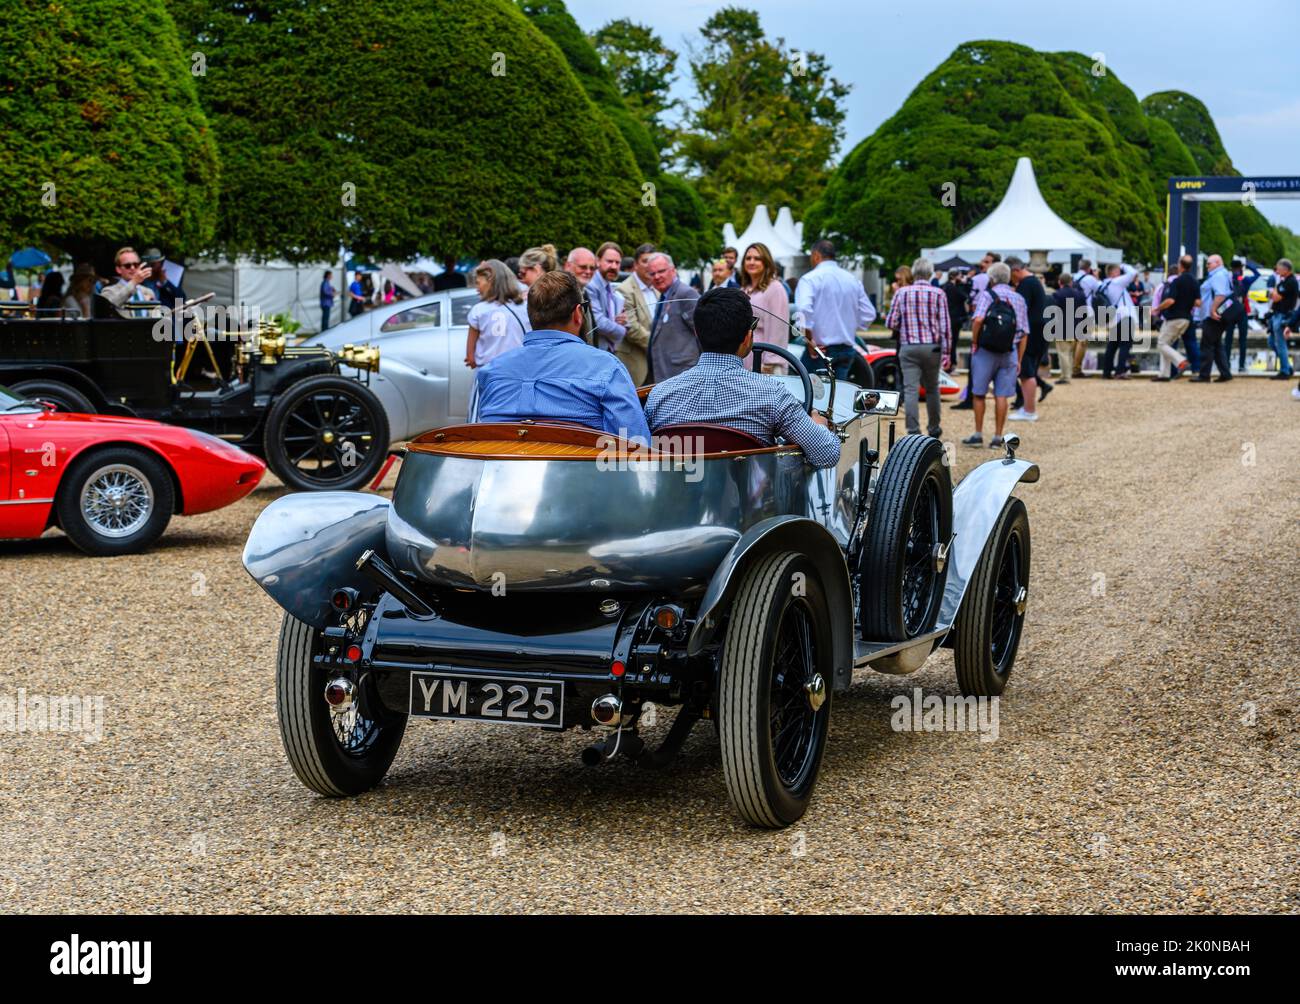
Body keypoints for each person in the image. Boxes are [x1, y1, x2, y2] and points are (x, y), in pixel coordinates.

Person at [645, 287, 840, 467]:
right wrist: (819, 422)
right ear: (747, 337)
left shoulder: (659, 395)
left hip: (680, 501)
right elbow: (827, 455)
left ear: (697, 333)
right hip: (750, 502)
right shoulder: (772, 395)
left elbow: (642, 455)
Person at [471, 270, 649, 441]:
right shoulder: (606, 368)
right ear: (578, 314)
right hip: (583, 470)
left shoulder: (490, 371)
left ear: (531, 315)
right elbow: (636, 445)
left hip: (503, 468)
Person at [962, 262, 1027, 450]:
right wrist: (1019, 359)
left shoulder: (987, 295)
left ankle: (978, 434)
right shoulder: (1018, 298)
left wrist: (975, 342)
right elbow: (1024, 333)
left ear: (991, 278)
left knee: (979, 393)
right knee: (1002, 395)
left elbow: (979, 319)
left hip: (985, 351)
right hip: (1009, 351)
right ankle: (998, 437)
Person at [885, 257, 950, 439]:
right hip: (932, 347)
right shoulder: (938, 293)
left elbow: (891, 322)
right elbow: (945, 327)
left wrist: (905, 326)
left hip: (909, 346)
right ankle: (934, 428)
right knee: (932, 388)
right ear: (930, 273)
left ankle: (913, 431)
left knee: (910, 389)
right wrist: (947, 352)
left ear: (913, 272)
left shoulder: (902, 293)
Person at [793, 239, 876, 379]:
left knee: (808, 393)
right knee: (838, 396)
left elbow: (804, 310)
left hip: (820, 349)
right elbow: (869, 314)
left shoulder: (809, 279)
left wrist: (809, 340)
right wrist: (847, 325)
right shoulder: (852, 280)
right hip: (846, 348)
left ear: (816, 255)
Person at [953, 252, 1001, 409]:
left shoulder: (983, 281)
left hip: (986, 325)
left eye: (986, 262)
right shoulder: (991, 282)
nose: (982, 264)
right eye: (982, 261)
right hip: (994, 326)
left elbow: (973, 300)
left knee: (977, 361)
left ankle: (971, 398)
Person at [1006, 256, 1050, 420]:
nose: (1010, 279)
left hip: (1031, 332)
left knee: (1026, 372)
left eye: (1011, 275)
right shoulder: (1033, 282)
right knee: (1029, 370)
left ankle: (1029, 410)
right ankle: (1028, 408)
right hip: (1040, 330)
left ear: (1015, 270)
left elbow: (1020, 308)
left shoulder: (1026, 284)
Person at [464, 259, 529, 369]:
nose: (477, 289)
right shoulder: (525, 307)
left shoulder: (478, 310)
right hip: (519, 371)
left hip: (489, 373)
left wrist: (472, 359)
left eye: (478, 283)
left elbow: (470, 357)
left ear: (490, 281)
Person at [645, 252, 700, 382]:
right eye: (652, 274)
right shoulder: (664, 295)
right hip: (666, 374)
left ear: (673, 270)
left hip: (683, 375)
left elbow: (703, 333)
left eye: (661, 271)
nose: (657, 276)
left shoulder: (686, 293)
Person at [738, 242, 791, 374]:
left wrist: (770, 362)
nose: (752, 262)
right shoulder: (744, 289)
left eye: (757, 258)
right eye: (748, 258)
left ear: (766, 262)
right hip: (746, 357)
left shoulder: (775, 288)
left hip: (764, 360)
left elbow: (778, 328)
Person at [1152, 255, 1199, 381]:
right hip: (1187, 319)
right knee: (1166, 344)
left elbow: (1170, 301)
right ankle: (1164, 374)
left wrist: (1158, 308)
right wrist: (1187, 302)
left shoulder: (1176, 282)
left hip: (1174, 317)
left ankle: (1181, 361)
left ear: (1180, 266)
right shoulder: (1195, 282)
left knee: (1161, 344)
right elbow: (1198, 303)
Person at [1190, 254, 1235, 382]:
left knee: (1207, 344)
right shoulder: (1223, 274)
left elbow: (1220, 294)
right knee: (1216, 344)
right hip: (1219, 313)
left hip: (1213, 315)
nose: (1207, 266)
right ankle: (1225, 373)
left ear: (1217, 263)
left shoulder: (1218, 275)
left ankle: (1204, 375)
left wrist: (1213, 310)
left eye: (1209, 263)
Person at [1096, 262, 1141, 379]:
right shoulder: (1117, 282)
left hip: (1113, 319)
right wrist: (1123, 265)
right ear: (1113, 272)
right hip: (1125, 316)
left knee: (1112, 346)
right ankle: (1120, 371)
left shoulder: (1102, 284)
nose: (1120, 273)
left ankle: (1106, 372)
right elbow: (1133, 273)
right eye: (1118, 271)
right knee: (1125, 345)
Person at [588, 242, 628, 353]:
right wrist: (622, 330)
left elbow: (612, 318)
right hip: (594, 350)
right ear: (598, 261)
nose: (614, 266)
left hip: (607, 350)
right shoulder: (591, 285)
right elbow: (598, 322)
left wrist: (622, 320)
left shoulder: (609, 286)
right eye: (609, 261)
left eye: (617, 262)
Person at [1049, 273, 1087, 383]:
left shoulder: (1056, 295)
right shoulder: (1080, 294)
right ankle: (1068, 373)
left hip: (1062, 327)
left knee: (1063, 353)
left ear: (1059, 282)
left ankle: (1065, 376)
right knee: (1070, 353)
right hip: (1077, 326)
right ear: (1071, 282)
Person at [100, 247, 159, 317]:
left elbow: (156, 319)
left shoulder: (148, 292)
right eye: (127, 266)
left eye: (136, 264)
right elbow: (109, 308)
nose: (132, 268)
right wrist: (134, 282)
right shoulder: (109, 291)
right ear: (118, 269)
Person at [1226, 258, 1259, 373]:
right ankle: (1241, 365)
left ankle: (1226, 363)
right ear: (1241, 268)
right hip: (1242, 311)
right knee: (1242, 340)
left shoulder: (1228, 279)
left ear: (1231, 268)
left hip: (1230, 311)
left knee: (1228, 339)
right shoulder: (1245, 280)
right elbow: (1257, 274)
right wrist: (1248, 265)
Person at [1266, 258, 1296, 380]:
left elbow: (1276, 297)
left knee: (1280, 343)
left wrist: (1273, 293)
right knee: (1272, 342)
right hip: (1277, 314)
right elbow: (1272, 295)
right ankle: (1287, 367)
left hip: (1282, 315)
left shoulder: (1290, 282)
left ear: (1285, 269)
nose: (1277, 270)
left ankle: (1284, 371)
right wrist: (1273, 293)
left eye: (1278, 268)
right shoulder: (1283, 281)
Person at [564, 246, 599, 342]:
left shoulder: (585, 293)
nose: (588, 272)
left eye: (592, 268)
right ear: (568, 266)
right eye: (583, 267)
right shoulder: (560, 294)